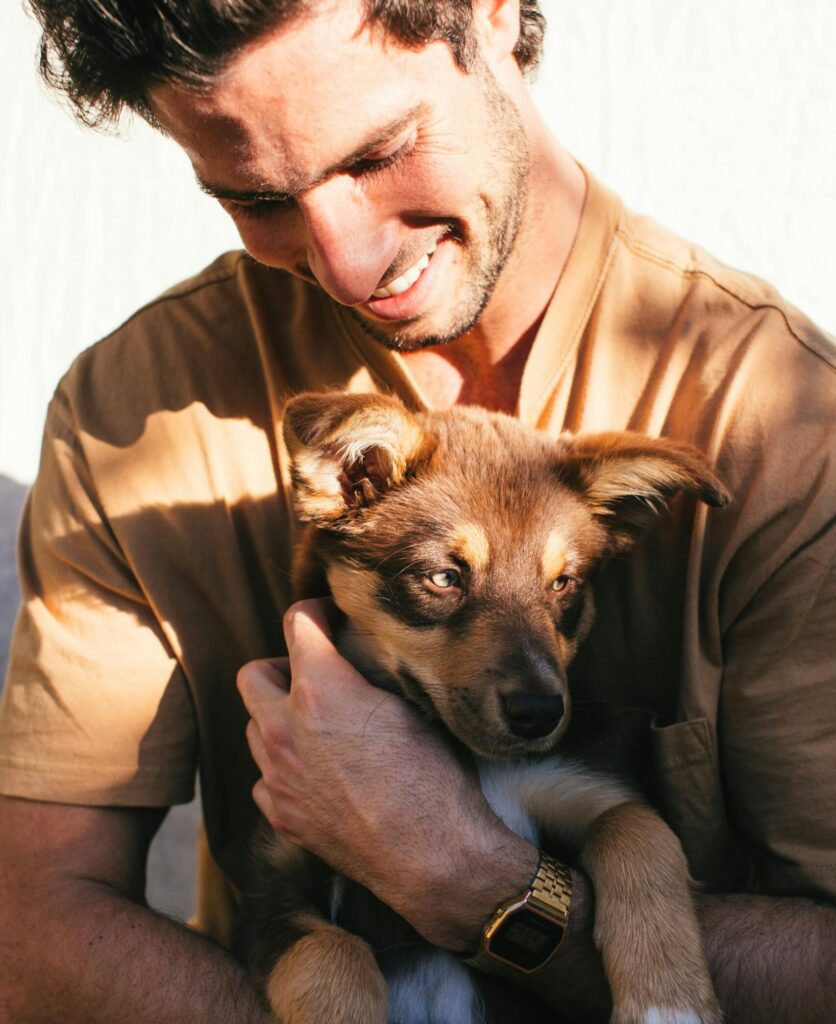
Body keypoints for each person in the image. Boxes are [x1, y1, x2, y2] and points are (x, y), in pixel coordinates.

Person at [0, 1, 833, 1021]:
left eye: (377, 154)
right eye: (257, 199)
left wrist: (471, 878)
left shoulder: (784, 426)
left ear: (488, 13)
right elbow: (30, 924)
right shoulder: (136, 409)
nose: (346, 263)